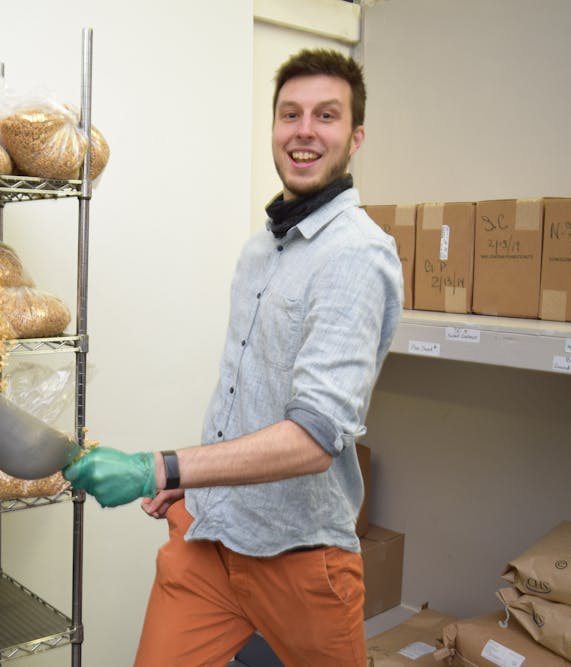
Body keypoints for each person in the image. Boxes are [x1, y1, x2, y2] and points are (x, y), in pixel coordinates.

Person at [63, 48, 403, 666]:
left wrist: (160, 469)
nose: (304, 131)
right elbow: (243, 393)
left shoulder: (356, 256)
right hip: (211, 540)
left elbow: (313, 438)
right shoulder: (260, 250)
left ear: (354, 137)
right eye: (289, 114)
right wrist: (198, 485)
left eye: (325, 116)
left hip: (300, 561)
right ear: (273, 129)